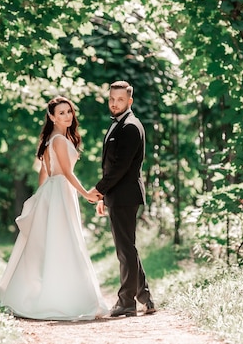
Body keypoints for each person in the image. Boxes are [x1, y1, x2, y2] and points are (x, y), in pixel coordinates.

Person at [0, 96, 109, 320]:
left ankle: (52, 294)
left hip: (54, 191)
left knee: (55, 242)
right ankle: (64, 298)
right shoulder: (58, 139)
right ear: (51, 116)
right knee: (66, 241)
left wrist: (41, 196)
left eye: (69, 111)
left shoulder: (52, 138)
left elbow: (44, 172)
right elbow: (67, 172)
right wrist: (86, 193)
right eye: (61, 113)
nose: (67, 116)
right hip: (60, 191)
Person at [89, 81, 156, 318]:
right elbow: (112, 168)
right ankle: (145, 298)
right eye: (111, 99)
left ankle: (127, 301)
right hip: (117, 194)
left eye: (119, 99)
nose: (114, 104)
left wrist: (98, 190)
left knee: (125, 250)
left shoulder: (130, 126)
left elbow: (120, 168)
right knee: (127, 248)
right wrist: (104, 197)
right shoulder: (119, 125)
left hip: (126, 194)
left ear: (130, 101)